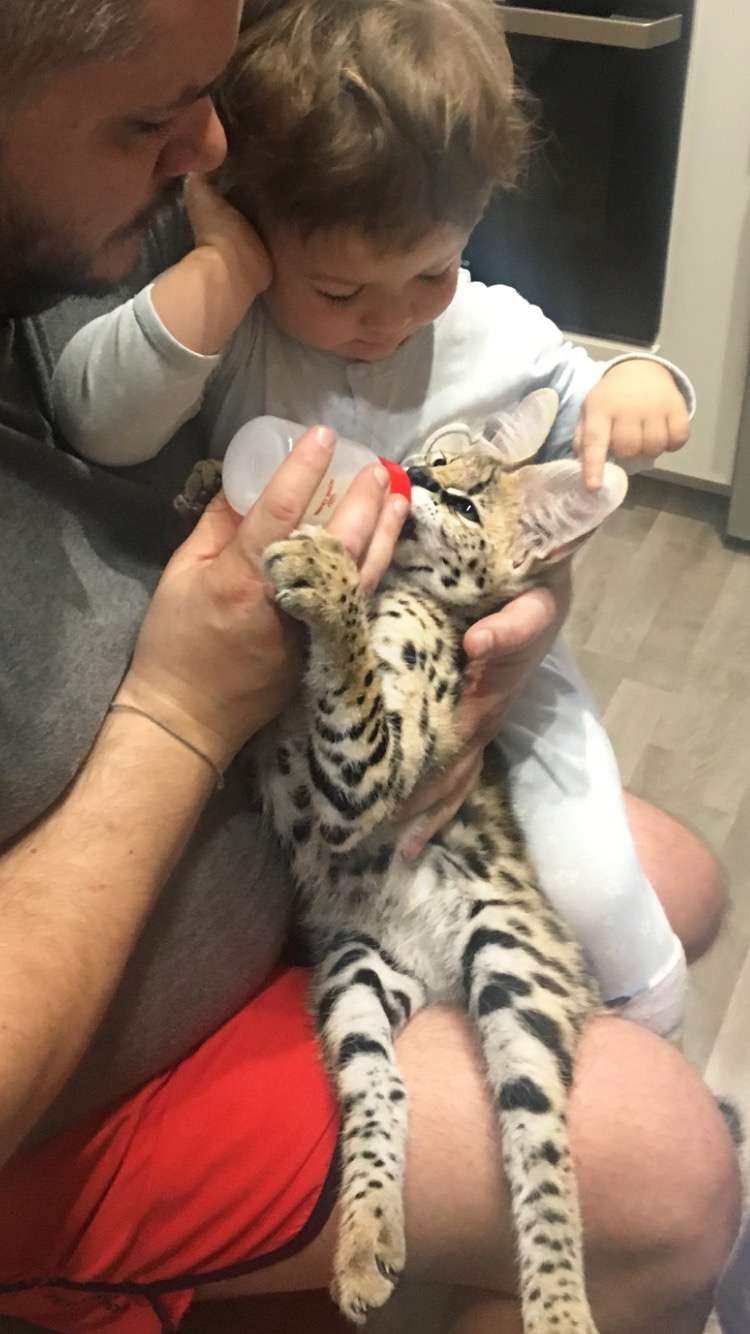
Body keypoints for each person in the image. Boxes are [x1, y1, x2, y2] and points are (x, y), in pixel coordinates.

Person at [0, 2, 739, 1334]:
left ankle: (623, 1027)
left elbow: (558, 413)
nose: (205, 149)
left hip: (338, 750)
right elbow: (120, 416)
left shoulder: (144, 206)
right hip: (204, 893)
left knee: (658, 883)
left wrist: (528, 580)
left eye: (210, 101)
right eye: (146, 121)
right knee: (664, 1164)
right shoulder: (219, 290)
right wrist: (180, 710)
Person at [56, 0, 692, 1039]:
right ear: (255, 224)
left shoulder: (489, 330)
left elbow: (596, 388)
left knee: (593, 876)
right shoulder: (248, 329)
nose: (390, 318)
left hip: (480, 659)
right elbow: (99, 418)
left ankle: (654, 1025)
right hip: (329, 703)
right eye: (343, 287)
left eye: (431, 272)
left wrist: (638, 383)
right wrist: (227, 268)